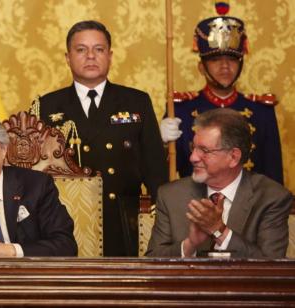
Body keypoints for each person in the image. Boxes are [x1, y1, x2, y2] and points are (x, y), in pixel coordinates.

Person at [34, 20, 168, 256]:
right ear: (67, 57)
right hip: (66, 223)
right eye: (81, 50)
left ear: (110, 55)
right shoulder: (46, 106)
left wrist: (164, 225)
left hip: (124, 223)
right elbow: (35, 176)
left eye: (99, 49)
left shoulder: (136, 102)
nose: (90, 56)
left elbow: (155, 170)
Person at [160, 6, 284, 184]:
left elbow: (274, 179)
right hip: (195, 206)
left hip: (250, 207)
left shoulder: (261, 111)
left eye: (232, 59)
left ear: (241, 64)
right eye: (215, 59)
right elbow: (165, 178)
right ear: (201, 67)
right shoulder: (180, 109)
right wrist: (161, 145)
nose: (225, 66)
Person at [146, 108, 292, 258]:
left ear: (233, 157)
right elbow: (152, 261)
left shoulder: (271, 197)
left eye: (204, 150)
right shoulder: (171, 195)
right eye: (193, 148)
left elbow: (270, 267)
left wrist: (219, 231)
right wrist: (190, 244)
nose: (193, 158)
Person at [0, 110, 77, 257]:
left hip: (26, 277)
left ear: (3, 150)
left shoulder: (37, 186)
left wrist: (10, 250)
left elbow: (65, 245)